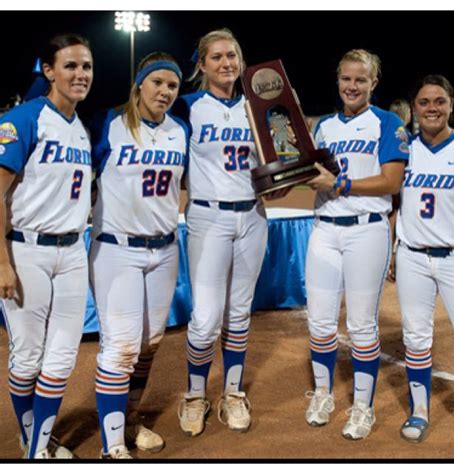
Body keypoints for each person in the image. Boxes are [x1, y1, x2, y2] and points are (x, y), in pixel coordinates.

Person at [172, 29, 286, 437]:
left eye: (233, 56)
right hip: (207, 217)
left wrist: (284, 177)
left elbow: (277, 163)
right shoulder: (185, 107)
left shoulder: (260, 107)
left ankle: (233, 393)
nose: (227, 63)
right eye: (217, 57)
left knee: (239, 313)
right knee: (204, 320)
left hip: (253, 215)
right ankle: (194, 393)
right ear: (201, 64)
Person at [304, 49, 409, 440]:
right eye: (347, 78)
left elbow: (392, 182)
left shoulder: (387, 122)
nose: (352, 86)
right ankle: (322, 394)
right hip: (324, 229)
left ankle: (362, 407)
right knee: (319, 321)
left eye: (361, 80)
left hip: (367, 230)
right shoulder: (324, 127)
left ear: (373, 84)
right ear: (338, 80)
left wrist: (342, 184)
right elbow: (309, 174)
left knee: (362, 324)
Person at [89, 53, 187, 459]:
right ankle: (112, 448)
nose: (164, 91)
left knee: (150, 342)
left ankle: (128, 420)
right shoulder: (106, 124)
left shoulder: (180, 130)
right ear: (139, 84)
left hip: (164, 249)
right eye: (157, 83)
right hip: (117, 249)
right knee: (122, 346)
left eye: (173, 86)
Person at [0, 33, 93, 459]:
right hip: (26, 251)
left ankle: (36, 451)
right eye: (71, 65)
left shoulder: (81, 128)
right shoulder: (23, 119)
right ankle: (34, 442)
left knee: (60, 361)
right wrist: (2, 263)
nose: (80, 74)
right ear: (49, 70)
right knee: (28, 358)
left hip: (73, 252)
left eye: (87, 66)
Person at [395, 74, 454, 443]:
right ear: (415, 108)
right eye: (425, 102)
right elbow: (394, 201)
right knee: (415, 337)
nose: (432, 108)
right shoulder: (405, 150)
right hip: (412, 257)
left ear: (451, 104)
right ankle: (420, 412)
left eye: (439, 101)